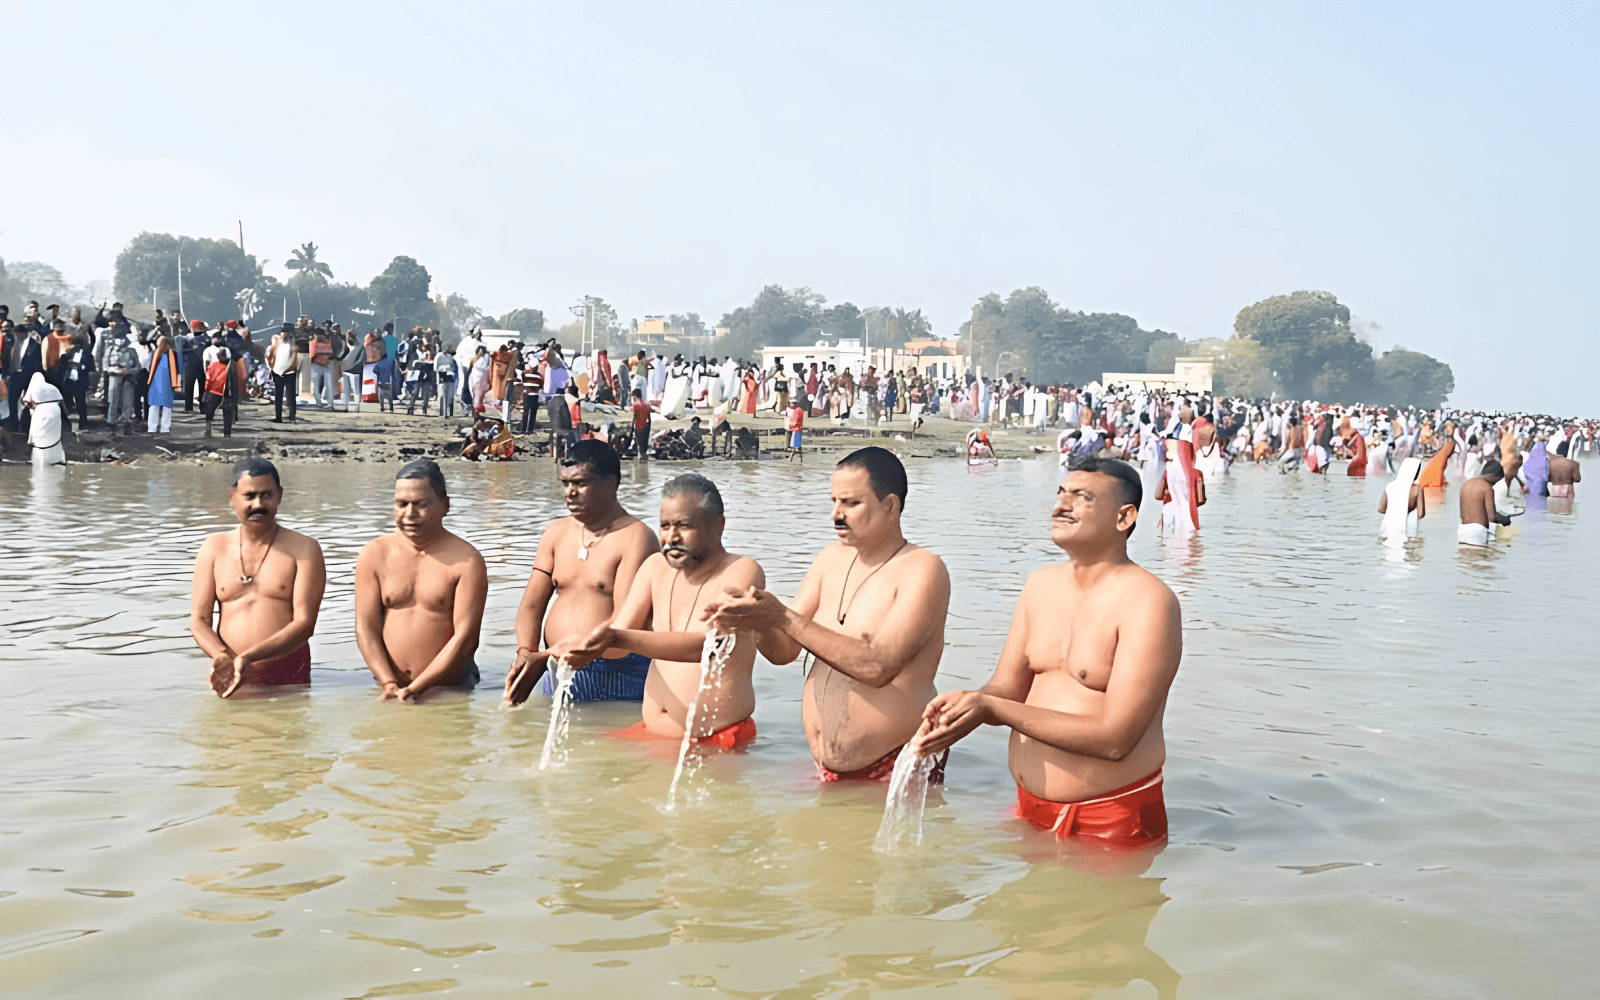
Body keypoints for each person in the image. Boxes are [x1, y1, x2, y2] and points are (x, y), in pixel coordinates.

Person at [915, 457, 1179, 850]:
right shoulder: (1040, 585)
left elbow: (1116, 739)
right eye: (1060, 494)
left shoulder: (1150, 602)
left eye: (1081, 497)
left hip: (1109, 819)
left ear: (1124, 518)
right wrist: (960, 713)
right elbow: (1005, 688)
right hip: (1027, 808)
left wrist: (992, 708)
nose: (1061, 506)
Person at [704, 447, 951, 781]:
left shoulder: (923, 569)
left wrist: (780, 616)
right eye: (834, 501)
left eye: (851, 503)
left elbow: (878, 666)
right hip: (824, 766)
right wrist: (754, 619)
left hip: (896, 763)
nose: (837, 514)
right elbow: (784, 652)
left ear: (890, 506)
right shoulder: (830, 559)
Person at [542, 475, 769, 748]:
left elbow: (706, 644)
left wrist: (616, 638)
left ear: (717, 526)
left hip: (717, 737)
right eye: (665, 525)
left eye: (683, 526)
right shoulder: (654, 567)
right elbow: (618, 648)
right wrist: (566, 649)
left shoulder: (742, 570)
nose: (671, 537)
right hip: (651, 733)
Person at [504, 440, 660, 705]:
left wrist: (548, 654)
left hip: (615, 669)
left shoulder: (636, 538)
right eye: (566, 483)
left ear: (610, 484)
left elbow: (624, 625)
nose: (570, 493)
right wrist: (526, 652)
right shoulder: (556, 532)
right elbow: (531, 604)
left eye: (580, 483)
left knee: (598, 742)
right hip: (553, 665)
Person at [189, 459, 328, 697]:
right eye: (250, 496)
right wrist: (221, 655)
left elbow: (305, 625)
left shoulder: (304, 549)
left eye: (267, 495)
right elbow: (199, 621)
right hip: (230, 681)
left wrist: (249, 657)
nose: (258, 504)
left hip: (289, 682)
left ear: (279, 495)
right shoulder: (213, 548)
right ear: (232, 496)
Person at [354, 460, 486, 701]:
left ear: (445, 505)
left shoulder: (467, 560)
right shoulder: (375, 554)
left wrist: (419, 687)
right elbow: (366, 628)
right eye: (402, 504)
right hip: (389, 686)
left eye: (421, 504)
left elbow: (466, 638)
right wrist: (388, 682)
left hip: (449, 689)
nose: (410, 514)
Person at [1458, 459, 1513, 547]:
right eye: (1496, 481)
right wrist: (1504, 519)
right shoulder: (1486, 487)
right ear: (1494, 476)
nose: (1494, 484)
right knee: (1482, 559)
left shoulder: (1465, 485)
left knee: (1466, 559)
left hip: (1462, 531)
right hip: (1478, 532)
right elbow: (1491, 517)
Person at [22, 373, 66, 467]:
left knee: (39, 437)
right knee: (55, 436)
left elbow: (26, 401)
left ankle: (38, 459)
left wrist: (32, 404)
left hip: (41, 412)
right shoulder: (52, 387)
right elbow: (61, 402)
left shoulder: (33, 388)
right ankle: (57, 458)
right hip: (55, 411)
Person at [1378, 457, 1425, 543]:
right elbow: (1420, 514)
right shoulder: (1417, 489)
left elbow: (1381, 509)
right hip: (1407, 531)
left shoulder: (1390, 486)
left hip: (1387, 529)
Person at [145, 335, 180, 434]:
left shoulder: (158, 353)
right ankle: (160, 428)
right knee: (161, 407)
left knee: (159, 406)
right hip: (161, 384)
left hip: (161, 384)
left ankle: (157, 428)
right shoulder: (169, 354)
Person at [630, 388, 651, 459]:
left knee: (639, 449)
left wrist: (631, 430)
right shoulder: (647, 406)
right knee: (643, 450)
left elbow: (633, 418)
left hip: (637, 428)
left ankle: (641, 467)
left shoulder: (634, 406)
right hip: (645, 428)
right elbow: (649, 419)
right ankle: (644, 465)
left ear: (634, 397)